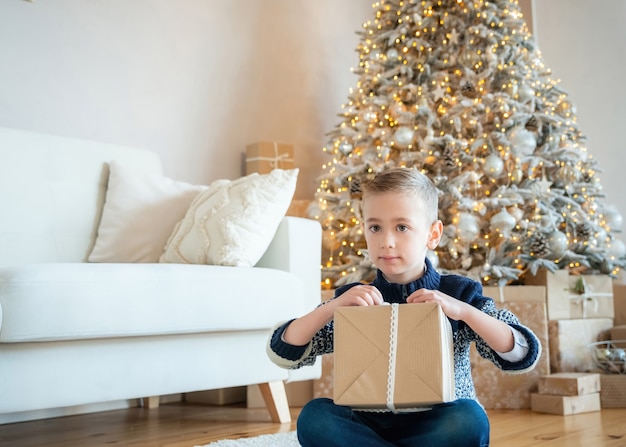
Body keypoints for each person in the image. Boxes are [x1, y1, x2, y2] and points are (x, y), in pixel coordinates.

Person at [267, 167, 541, 447]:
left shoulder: (458, 293)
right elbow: (283, 351)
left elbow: (521, 351)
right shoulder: (353, 298)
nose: (386, 241)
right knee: (314, 417)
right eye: (375, 227)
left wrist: (465, 312)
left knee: (469, 419)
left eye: (402, 227)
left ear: (432, 234)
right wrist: (330, 308)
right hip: (366, 423)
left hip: (436, 421)